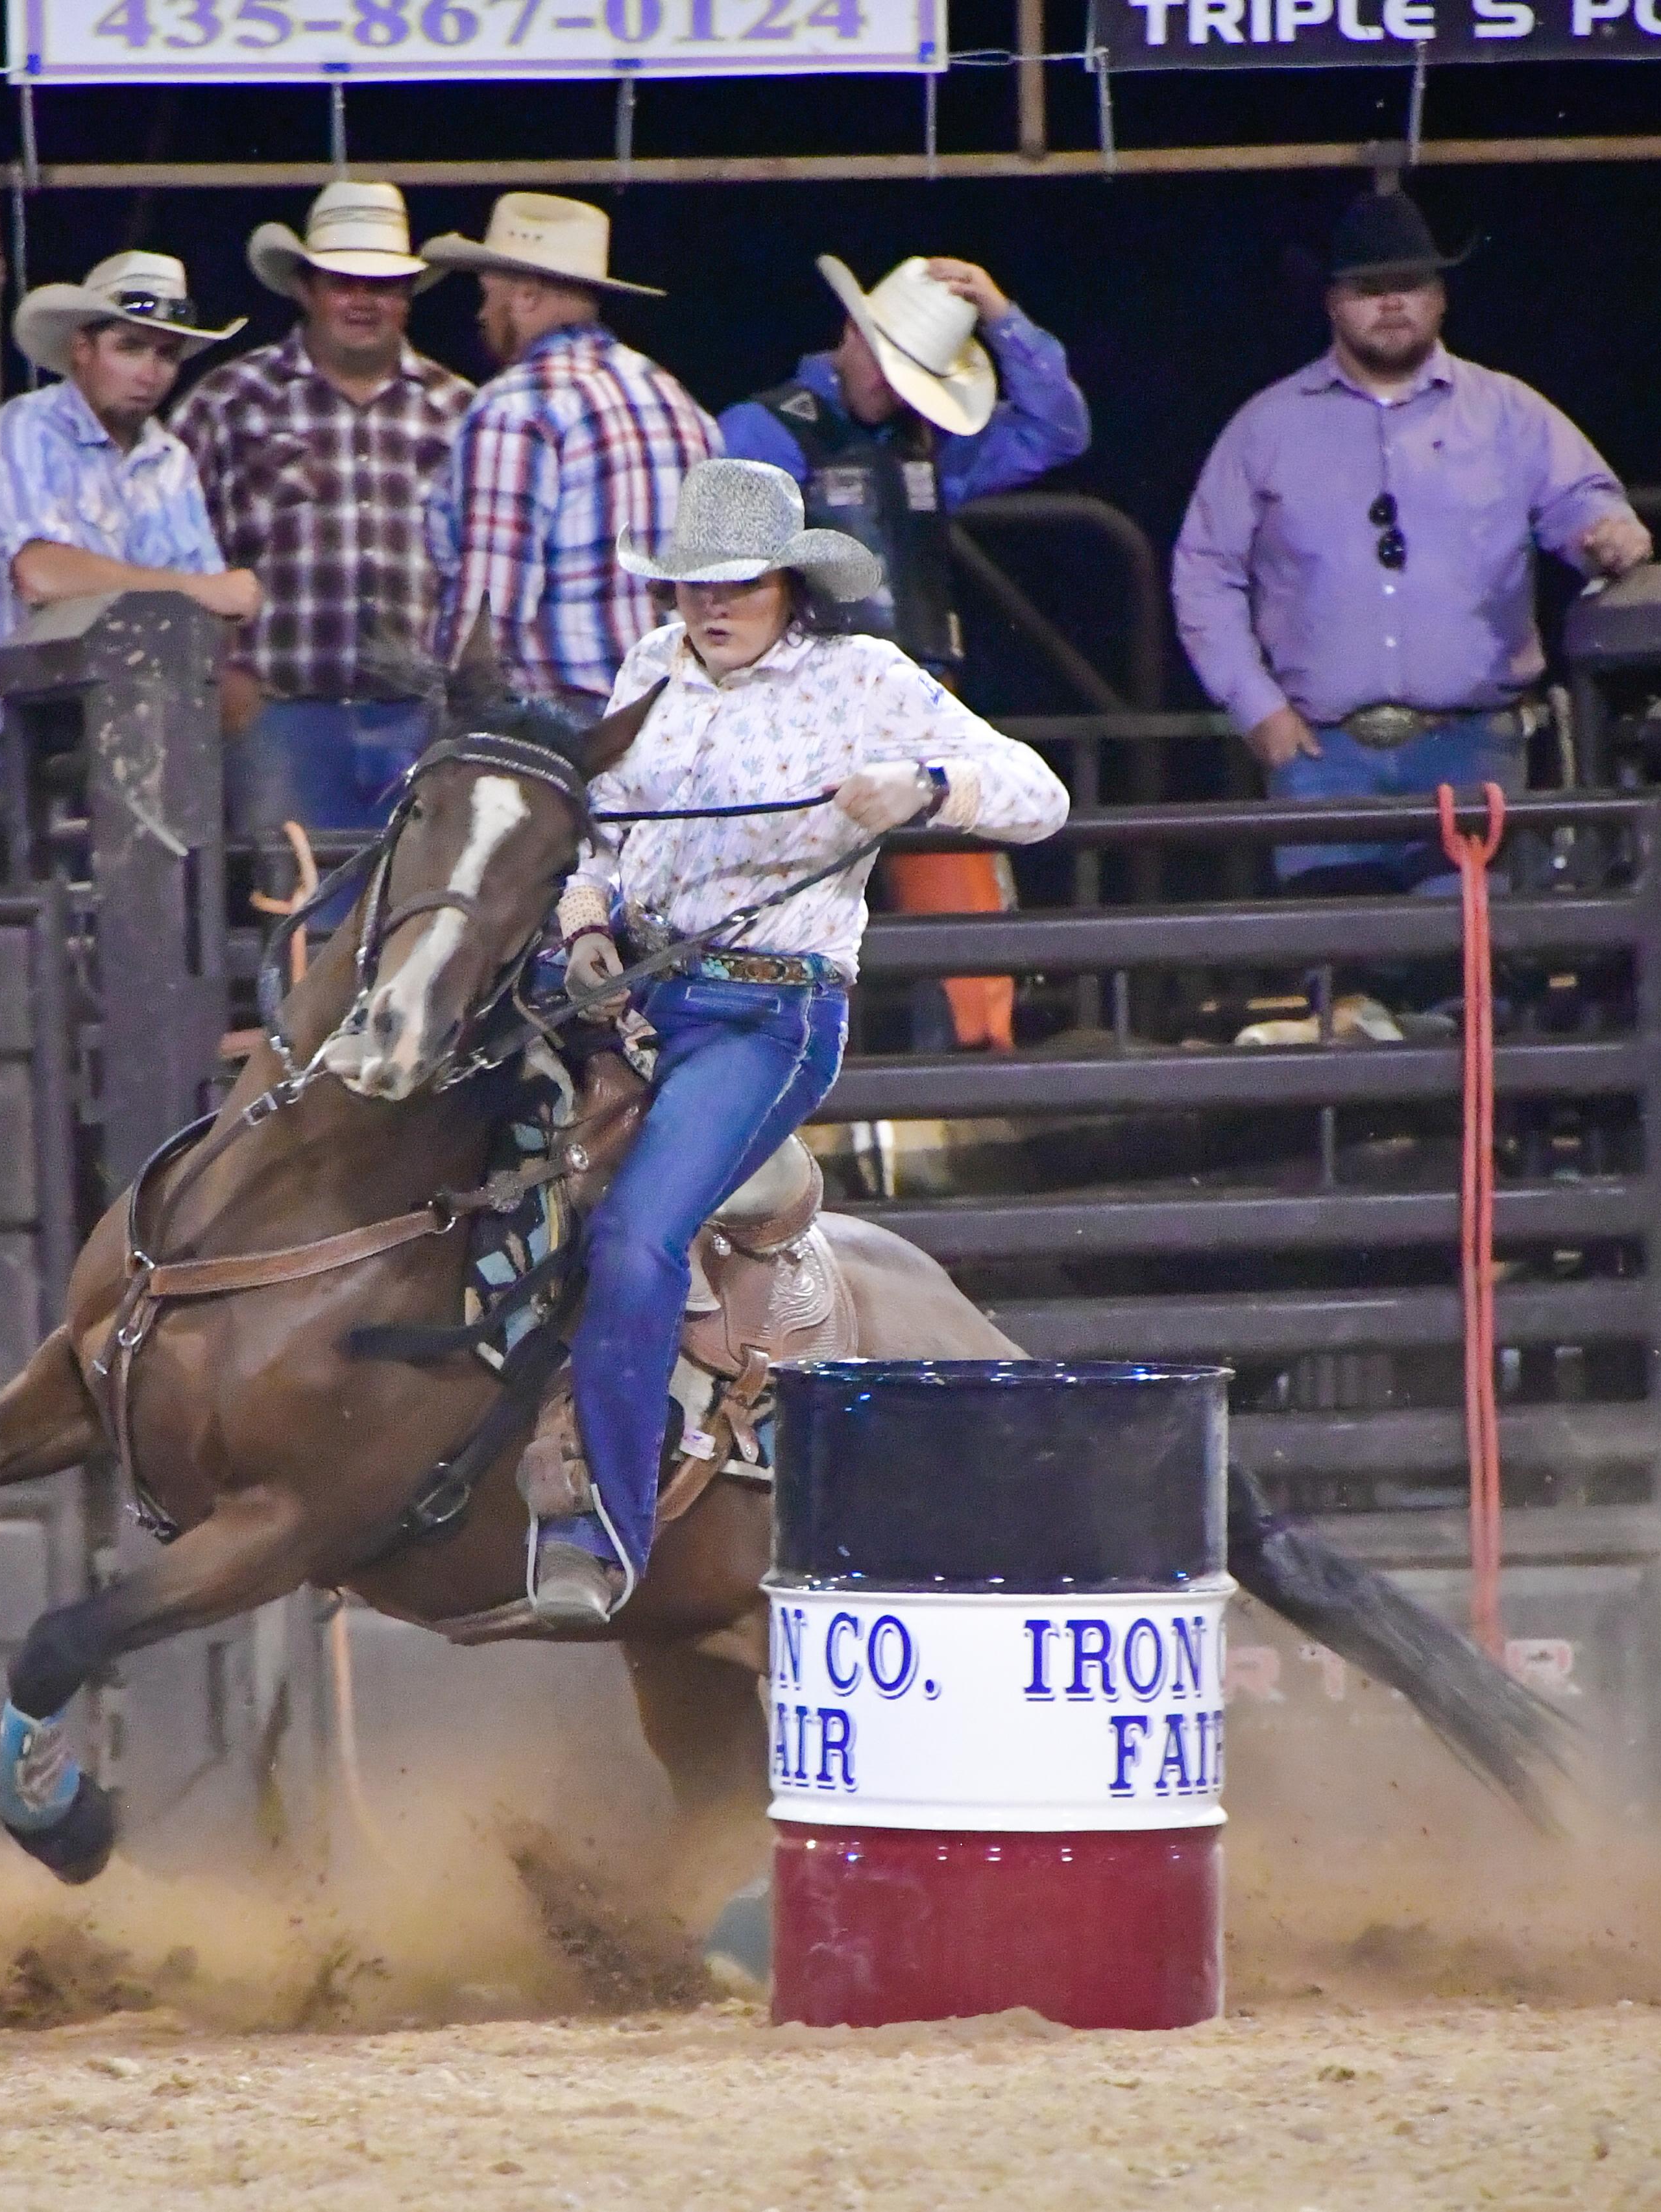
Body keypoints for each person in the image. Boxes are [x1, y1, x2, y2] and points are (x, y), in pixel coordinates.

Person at [534, 458, 1072, 1626]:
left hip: (764, 1012)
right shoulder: (648, 670)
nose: (707, 606)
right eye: (688, 586)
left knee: (635, 1237)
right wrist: (582, 917)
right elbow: (601, 840)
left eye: (732, 584)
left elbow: (1039, 794)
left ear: (788, 583)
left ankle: (607, 1530)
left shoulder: (860, 676)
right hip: (627, 989)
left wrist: (921, 786)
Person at [1172, 188, 1652, 897]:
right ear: (1333, 302)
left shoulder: (1508, 413)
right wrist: (1255, 705)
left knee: (1465, 975)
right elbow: (1205, 571)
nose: (1390, 304)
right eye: (1369, 289)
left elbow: (1586, 510)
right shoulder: (1266, 428)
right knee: (1342, 979)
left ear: (1439, 298)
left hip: (1471, 744)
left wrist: (1610, 535)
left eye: (1409, 285)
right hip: (1321, 751)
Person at [722, 252, 1093, 1051]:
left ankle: (961, 1090)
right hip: (804, 711)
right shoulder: (763, 430)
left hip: (923, 706)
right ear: (851, 333)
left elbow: (1056, 428)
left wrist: (1002, 316)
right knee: (787, 928)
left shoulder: (922, 441)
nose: (892, 390)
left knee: (964, 938)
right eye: (890, 367)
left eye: (912, 377)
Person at [173, 183, 474, 857]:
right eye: (344, 282)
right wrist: (217, 674)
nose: (363, 301)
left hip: (419, 720)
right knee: (296, 920)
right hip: (277, 713)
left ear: (408, 297)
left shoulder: (459, 409)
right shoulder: (230, 400)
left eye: (384, 285)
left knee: (418, 915)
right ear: (305, 289)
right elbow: (172, 554)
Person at [0, 251, 258, 861]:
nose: (150, 372)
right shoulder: (24, 429)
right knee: (51, 926)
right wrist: (202, 590)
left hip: (151, 734)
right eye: (131, 347)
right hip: (35, 734)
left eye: (166, 354)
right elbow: (41, 573)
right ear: (82, 349)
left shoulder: (168, 458)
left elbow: (213, 610)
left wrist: (206, 598)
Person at [421, 193, 717, 721]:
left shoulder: (516, 408)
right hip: (683, 715)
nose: (481, 313)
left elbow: (488, 612)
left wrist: (455, 725)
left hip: (567, 732)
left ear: (527, 296)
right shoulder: (677, 401)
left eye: (489, 294)